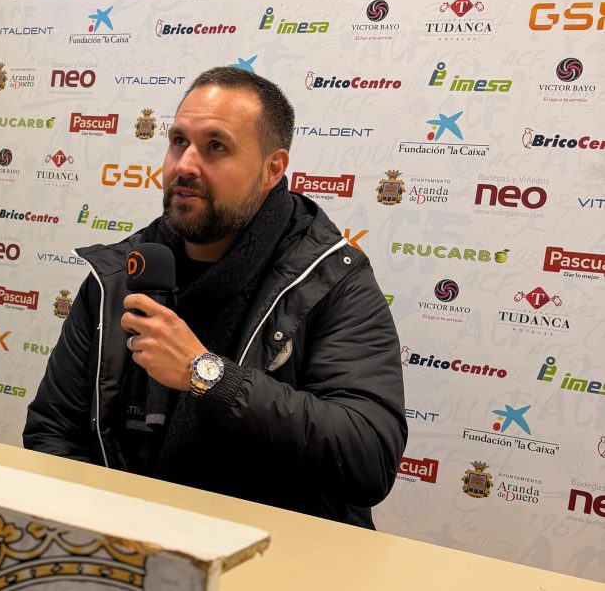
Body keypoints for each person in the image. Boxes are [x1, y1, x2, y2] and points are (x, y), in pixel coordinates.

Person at [23, 67, 406, 528]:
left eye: (215, 147)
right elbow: (53, 433)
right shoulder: (120, 276)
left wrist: (208, 376)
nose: (185, 165)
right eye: (178, 141)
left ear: (272, 168)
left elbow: (368, 456)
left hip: (271, 558)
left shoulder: (327, 279)